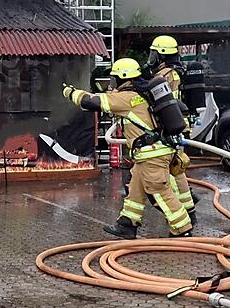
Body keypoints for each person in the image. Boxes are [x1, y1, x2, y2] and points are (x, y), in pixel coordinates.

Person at [63, 58, 193, 239]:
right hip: (151, 153)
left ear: (124, 78)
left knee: (159, 192)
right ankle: (127, 224)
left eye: (115, 78)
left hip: (152, 155)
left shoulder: (127, 98)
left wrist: (70, 92)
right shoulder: (143, 92)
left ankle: (183, 229)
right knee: (135, 188)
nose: (113, 82)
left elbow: (91, 102)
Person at [144, 35, 199, 224]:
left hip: (171, 127)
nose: (152, 59)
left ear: (163, 55)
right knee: (176, 169)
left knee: (173, 169)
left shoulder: (166, 75)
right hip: (176, 124)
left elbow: (162, 102)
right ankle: (188, 207)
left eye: (154, 54)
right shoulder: (173, 71)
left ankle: (184, 212)